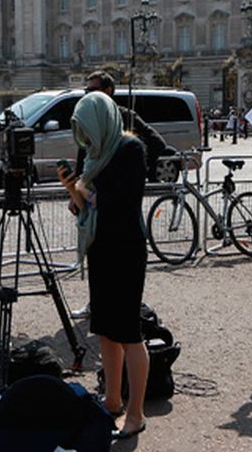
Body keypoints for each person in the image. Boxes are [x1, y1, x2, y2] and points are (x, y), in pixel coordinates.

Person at [58, 92, 149, 440]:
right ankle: (112, 400)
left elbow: (124, 203)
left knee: (128, 332)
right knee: (106, 328)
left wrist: (85, 193)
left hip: (125, 248)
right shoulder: (94, 153)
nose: (85, 139)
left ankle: (136, 413)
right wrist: (74, 193)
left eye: (87, 129)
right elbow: (85, 209)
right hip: (101, 247)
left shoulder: (130, 149)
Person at [70, 70, 167, 320]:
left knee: (122, 272)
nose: (88, 95)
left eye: (92, 91)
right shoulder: (90, 118)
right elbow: (85, 157)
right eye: (86, 91)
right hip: (91, 197)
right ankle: (97, 302)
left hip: (114, 203)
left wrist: (138, 175)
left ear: (108, 91)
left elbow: (157, 143)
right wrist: (76, 189)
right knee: (97, 252)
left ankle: (126, 301)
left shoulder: (125, 119)